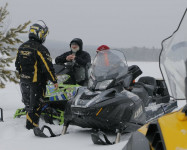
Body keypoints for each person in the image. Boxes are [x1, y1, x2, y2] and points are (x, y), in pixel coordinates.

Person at [15, 20, 58, 130]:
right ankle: (31, 130)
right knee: (35, 107)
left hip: (24, 81)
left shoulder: (22, 47)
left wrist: (24, 75)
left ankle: (29, 129)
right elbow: (47, 67)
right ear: (40, 34)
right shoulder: (40, 48)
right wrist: (54, 80)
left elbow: (17, 65)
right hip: (36, 83)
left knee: (28, 105)